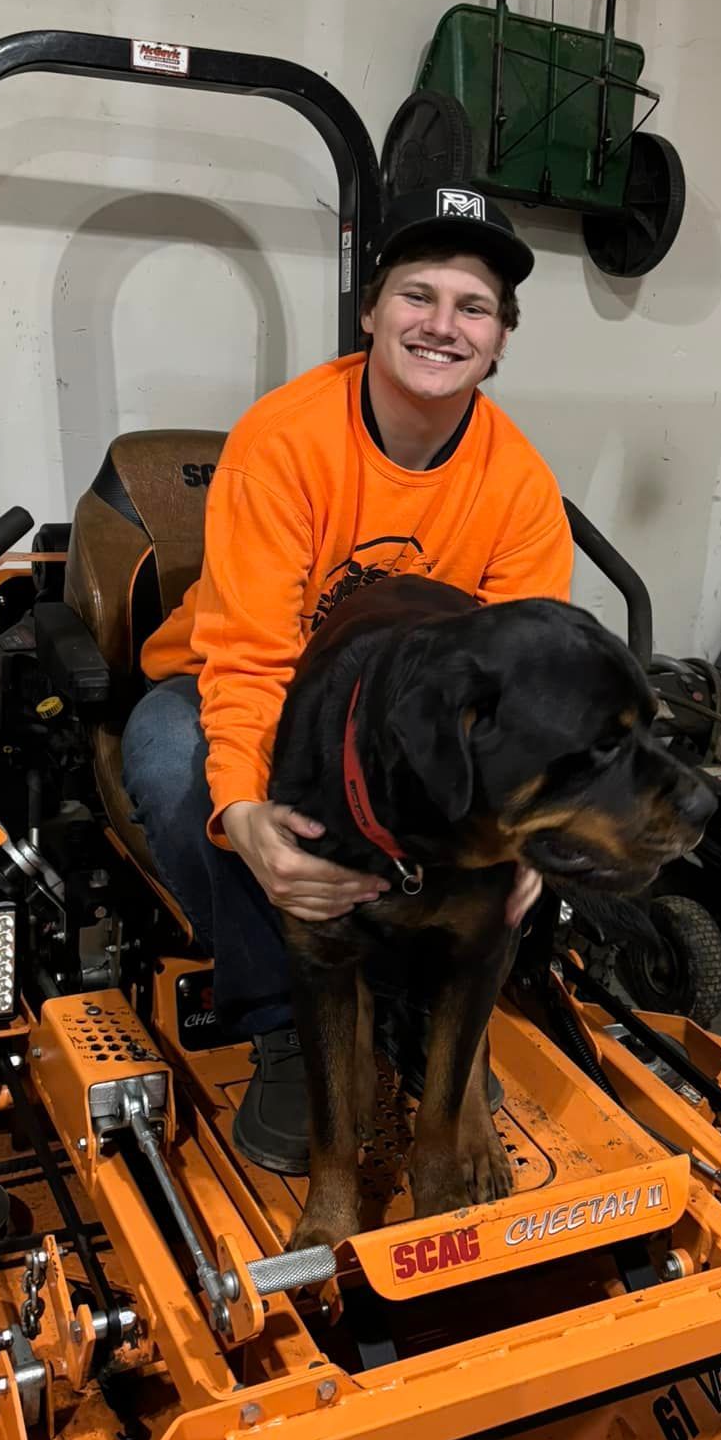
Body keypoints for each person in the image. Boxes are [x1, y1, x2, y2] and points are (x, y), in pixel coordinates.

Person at [121, 184, 574, 1172]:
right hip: (248, 681)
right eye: (419, 295)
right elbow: (252, 654)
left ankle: (415, 1005)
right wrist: (240, 810)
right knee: (175, 761)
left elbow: (519, 687)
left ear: (499, 341)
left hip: (388, 716)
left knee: (457, 795)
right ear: (371, 311)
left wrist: (529, 827)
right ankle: (284, 1014)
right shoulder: (283, 441)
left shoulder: (522, 486)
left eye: (474, 306)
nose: (441, 324)